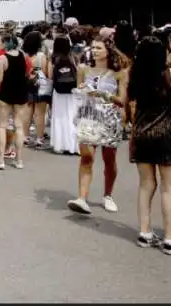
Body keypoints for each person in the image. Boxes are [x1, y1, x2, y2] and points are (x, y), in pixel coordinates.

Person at [129, 36, 171, 254]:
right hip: (167, 133)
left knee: (146, 185)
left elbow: (129, 104)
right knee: (169, 189)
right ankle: (169, 238)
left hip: (141, 133)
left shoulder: (135, 75)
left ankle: (145, 232)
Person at [67, 35, 128, 216]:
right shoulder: (83, 69)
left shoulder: (119, 73)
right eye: (92, 47)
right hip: (88, 116)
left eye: (98, 48)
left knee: (109, 159)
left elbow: (122, 100)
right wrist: (82, 90)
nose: (94, 51)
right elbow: (79, 92)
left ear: (108, 50)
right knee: (87, 157)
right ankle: (82, 198)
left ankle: (107, 195)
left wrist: (102, 94)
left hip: (110, 117)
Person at [0, 32, 32, 170]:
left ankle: (1, 160)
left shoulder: (2, 58)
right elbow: (27, 73)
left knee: (2, 126)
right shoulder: (23, 56)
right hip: (20, 93)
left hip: (6, 93)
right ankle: (19, 160)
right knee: (19, 126)